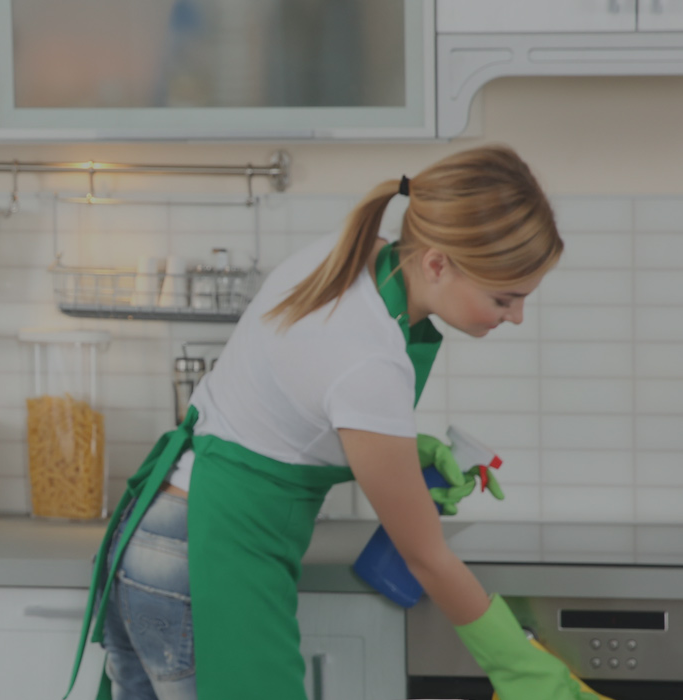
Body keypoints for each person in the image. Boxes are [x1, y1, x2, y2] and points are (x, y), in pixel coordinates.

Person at [68, 145, 609, 700]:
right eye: (505, 298)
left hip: (159, 527)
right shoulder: (371, 362)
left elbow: (295, 410)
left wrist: (401, 449)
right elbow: (425, 555)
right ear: (438, 263)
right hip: (208, 553)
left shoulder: (348, 257)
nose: (515, 317)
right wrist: (519, 667)